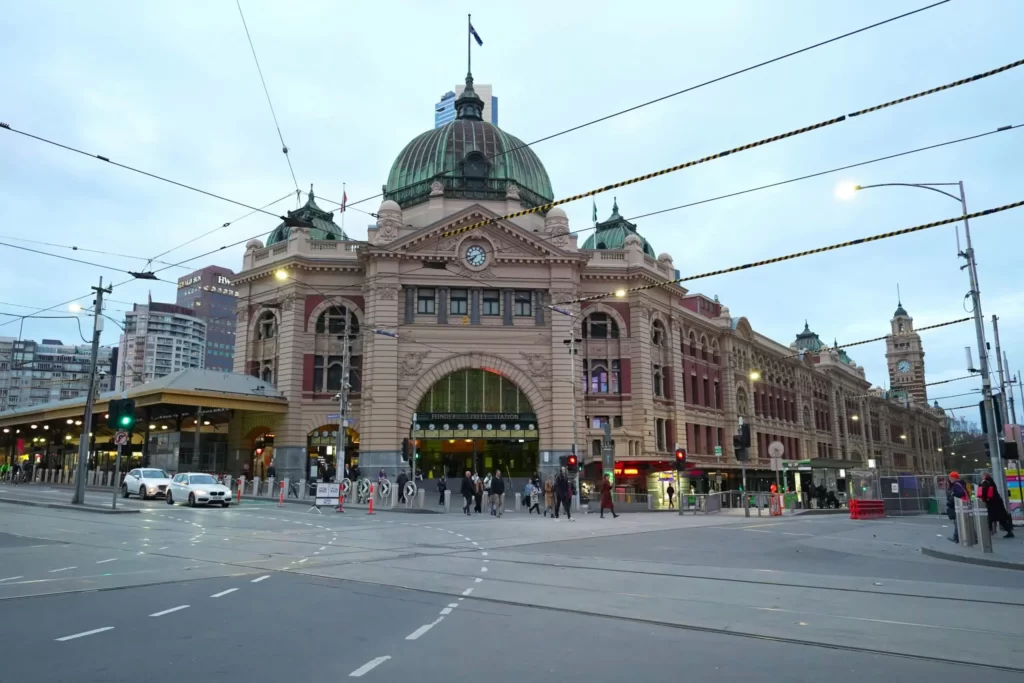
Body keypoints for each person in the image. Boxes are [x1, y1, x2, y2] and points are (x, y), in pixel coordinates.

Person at [979, 473, 1014, 538]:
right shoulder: (991, 481)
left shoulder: (985, 482)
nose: (981, 477)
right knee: (1000, 518)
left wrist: (980, 487)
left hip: (992, 503)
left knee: (990, 518)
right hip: (996, 502)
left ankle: (987, 533)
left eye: (981, 476)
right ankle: (1009, 531)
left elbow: (984, 491)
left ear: (984, 476)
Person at [946, 471, 970, 543]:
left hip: (960, 505)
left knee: (958, 521)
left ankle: (956, 537)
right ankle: (958, 536)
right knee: (959, 521)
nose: (949, 479)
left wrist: (953, 494)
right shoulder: (960, 483)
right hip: (962, 504)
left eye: (950, 477)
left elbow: (960, 493)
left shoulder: (957, 484)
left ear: (954, 477)